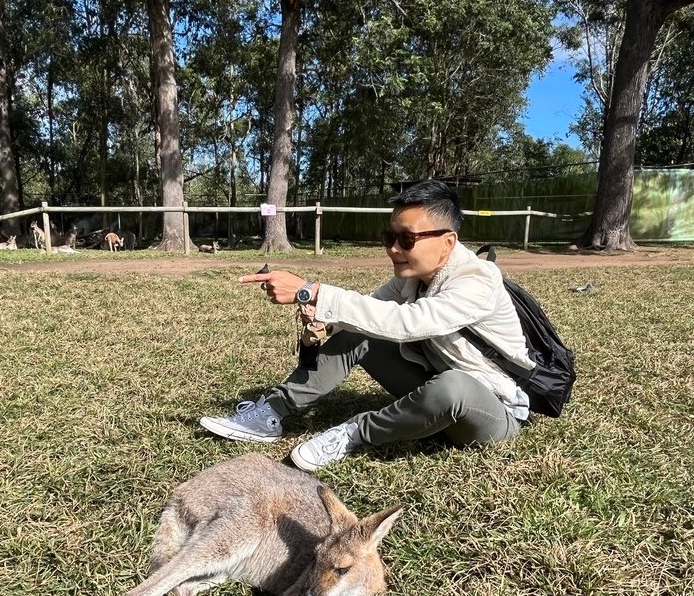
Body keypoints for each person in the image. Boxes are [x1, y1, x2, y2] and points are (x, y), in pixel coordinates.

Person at [199, 179, 533, 471]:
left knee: (453, 386)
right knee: (358, 327)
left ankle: (354, 433)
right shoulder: (413, 279)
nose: (393, 249)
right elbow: (367, 311)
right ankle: (271, 411)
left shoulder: (477, 281)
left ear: (448, 242)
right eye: (389, 236)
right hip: (433, 384)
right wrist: (324, 328)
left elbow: (408, 323)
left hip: (491, 410)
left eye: (406, 239)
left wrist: (310, 290)